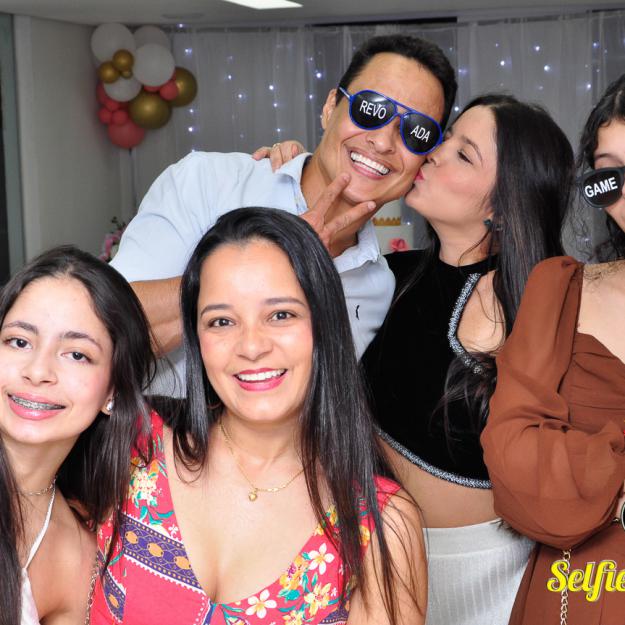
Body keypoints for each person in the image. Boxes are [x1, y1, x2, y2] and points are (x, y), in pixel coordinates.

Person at [258, 93, 575, 624]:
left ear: (503, 206)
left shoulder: (540, 306)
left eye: (463, 154)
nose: (433, 152)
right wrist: (297, 171)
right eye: (445, 138)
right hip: (374, 554)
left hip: (487, 578)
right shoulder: (391, 276)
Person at [91, 207, 427, 625]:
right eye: (221, 321)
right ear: (196, 338)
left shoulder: (381, 526)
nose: (251, 346)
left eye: (281, 315)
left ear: (324, 325)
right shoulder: (132, 451)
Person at [109, 34, 457, 395]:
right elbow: (102, 327)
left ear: (424, 158)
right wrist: (279, 260)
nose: (383, 142)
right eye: (371, 110)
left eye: (416, 132)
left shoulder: (377, 287)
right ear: (330, 107)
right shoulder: (209, 182)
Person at [481, 75, 625, 625]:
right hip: (584, 590)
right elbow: (516, 466)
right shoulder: (561, 289)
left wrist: (591, 464)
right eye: (610, 175)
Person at [0, 246, 154, 625]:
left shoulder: (79, 557)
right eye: (19, 341)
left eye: (76, 354)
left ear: (112, 391)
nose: (38, 371)